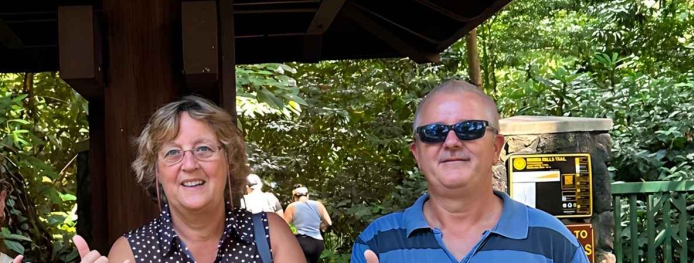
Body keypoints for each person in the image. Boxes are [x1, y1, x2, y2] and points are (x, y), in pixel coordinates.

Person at [351, 80, 582, 263]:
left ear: (495, 148)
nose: (451, 142)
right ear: (417, 155)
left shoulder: (552, 240)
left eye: (469, 129)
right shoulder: (377, 243)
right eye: (434, 132)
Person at [109, 95, 306, 263]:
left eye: (204, 149)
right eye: (173, 152)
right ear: (156, 170)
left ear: (228, 161)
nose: (189, 164)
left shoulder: (270, 235)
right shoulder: (130, 253)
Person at [283, 186, 330, 263]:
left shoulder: (292, 206)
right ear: (307, 195)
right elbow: (328, 222)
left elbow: (284, 226)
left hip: (302, 242)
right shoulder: (318, 204)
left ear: (294, 197)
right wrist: (316, 227)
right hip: (318, 243)